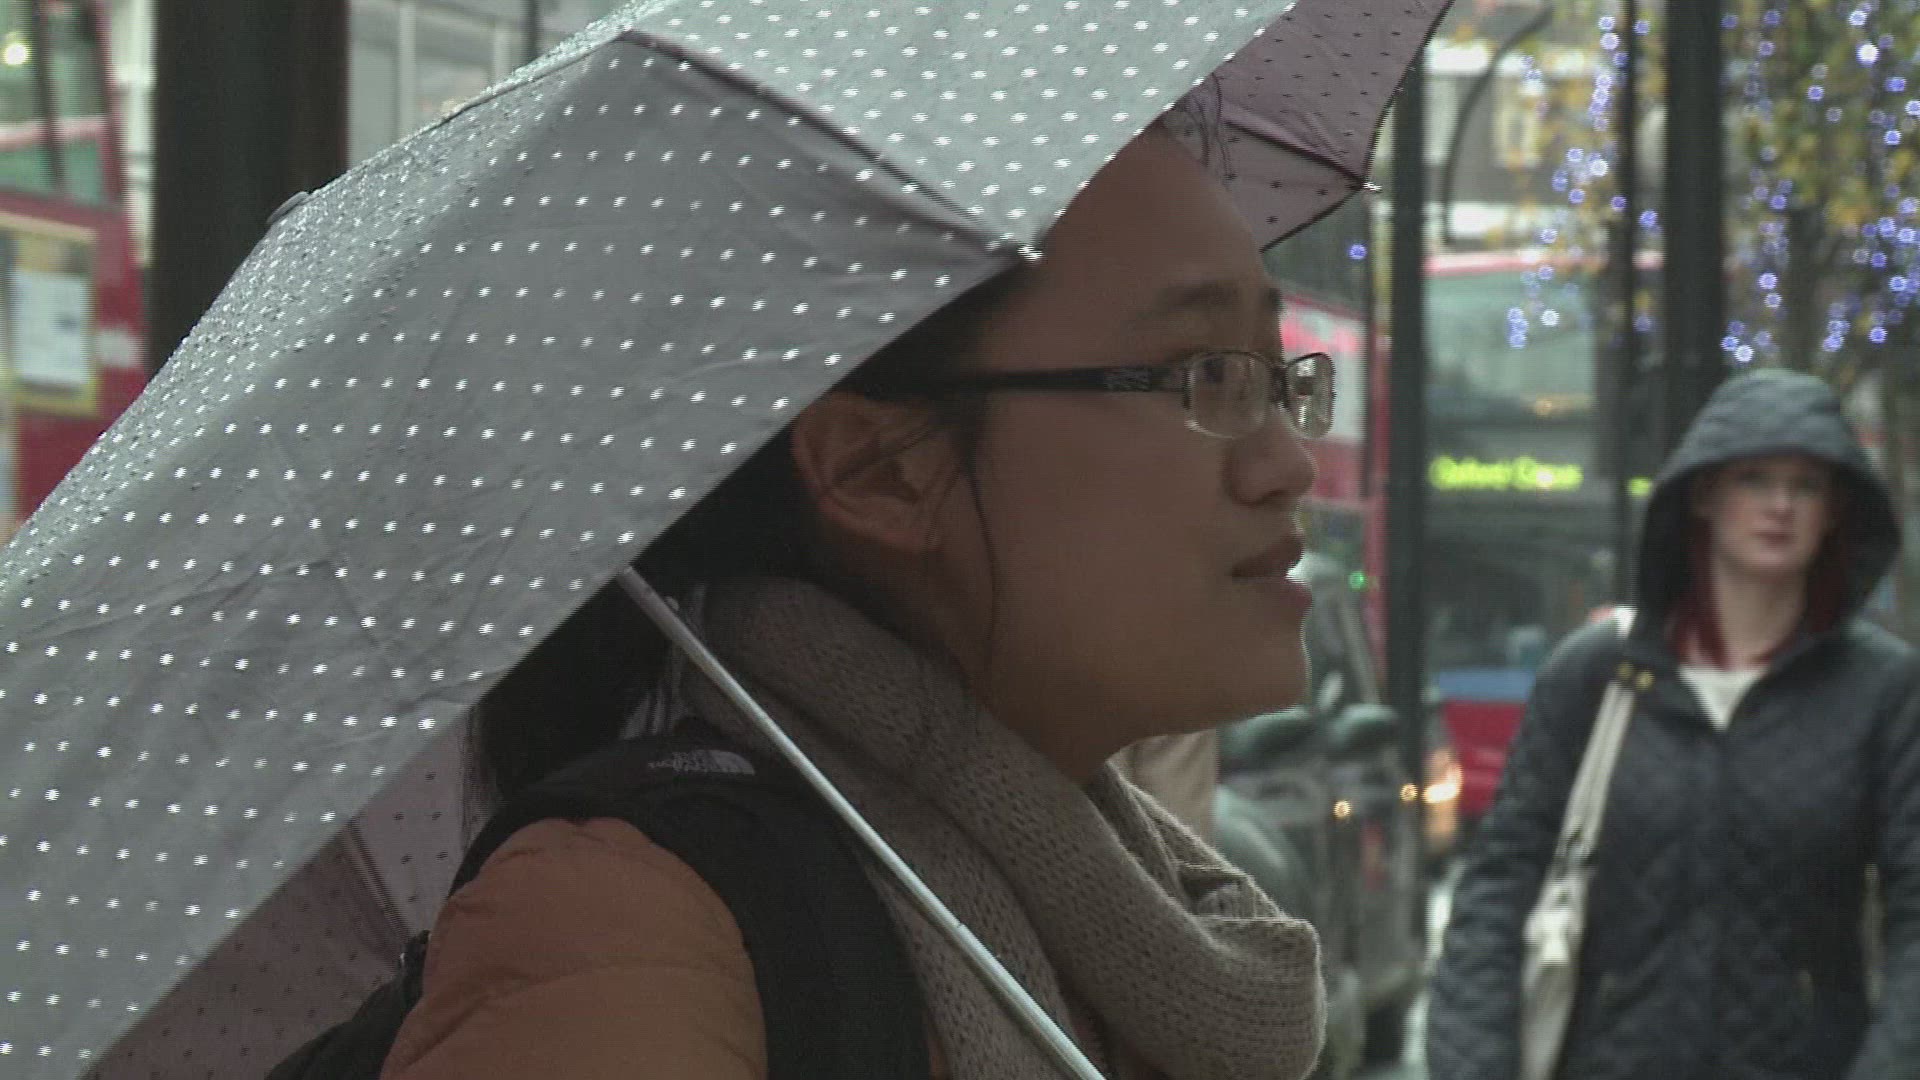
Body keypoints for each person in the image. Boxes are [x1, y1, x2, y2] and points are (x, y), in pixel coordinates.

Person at [376, 123, 1328, 1080]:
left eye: (1277, 375)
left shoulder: (1145, 938)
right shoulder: (622, 940)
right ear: (881, 472)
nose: (1288, 464)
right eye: (1206, 375)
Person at [1427, 368, 1920, 1080]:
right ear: (1705, 494)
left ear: (1836, 510)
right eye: (1754, 478)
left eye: (1807, 485)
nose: (1780, 505)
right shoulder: (1597, 674)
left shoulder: (1882, 691)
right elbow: (1498, 890)